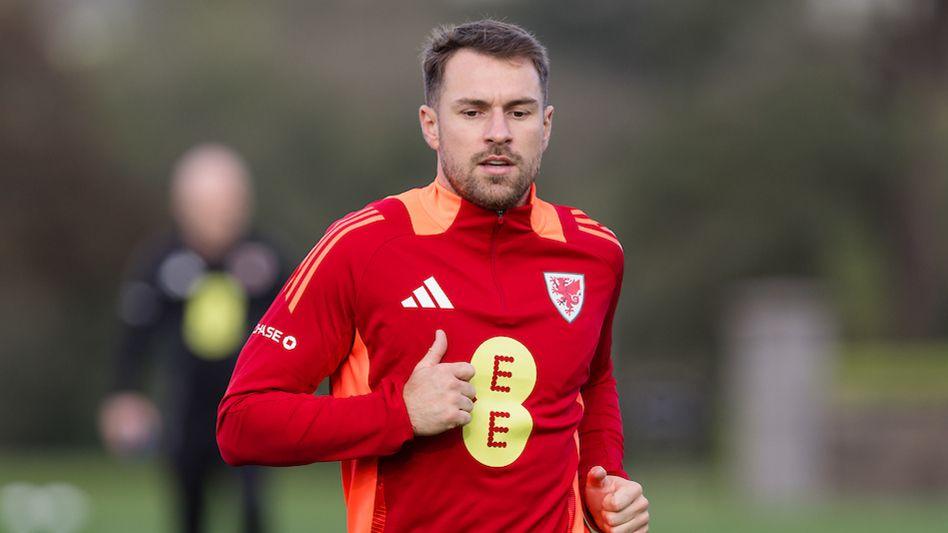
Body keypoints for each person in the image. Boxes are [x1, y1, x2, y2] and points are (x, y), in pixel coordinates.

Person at [217, 20, 649, 533]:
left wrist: (605, 482)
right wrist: (397, 413)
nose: (499, 132)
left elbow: (594, 381)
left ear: (547, 124)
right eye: (472, 111)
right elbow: (242, 424)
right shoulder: (364, 247)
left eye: (519, 111)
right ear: (430, 124)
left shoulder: (595, 252)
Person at [100, 144, 285, 533]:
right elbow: (135, 336)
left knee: (253, 507)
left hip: (252, 407)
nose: (220, 214)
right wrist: (125, 396)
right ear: (182, 206)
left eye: (228, 201)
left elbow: (306, 332)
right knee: (189, 508)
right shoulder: (160, 261)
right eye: (207, 204)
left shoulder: (268, 260)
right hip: (187, 407)